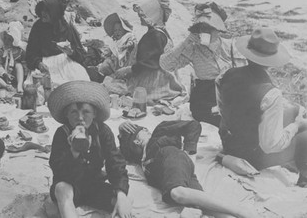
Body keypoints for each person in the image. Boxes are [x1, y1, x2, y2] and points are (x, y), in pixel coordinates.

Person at [217, 28, 307, 187]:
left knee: (294, 111)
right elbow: (270, 145)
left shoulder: (228, 74)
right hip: (250, 156)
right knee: (304, 134)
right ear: (272, 61)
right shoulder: (271, 93)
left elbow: (225, 109)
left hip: (229, 142)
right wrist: (296, 126)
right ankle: (303, 180)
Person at [118, 120, 258, 218]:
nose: (146, 130)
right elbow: (113, 153)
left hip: (171, 157)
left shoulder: (159, 132)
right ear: (135, 141)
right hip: (167, 174)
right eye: (141, 130)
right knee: (208, 209)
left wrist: (190, 155)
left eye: (145, 128)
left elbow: (193, 125)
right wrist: (121, 128)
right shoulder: (137, 159)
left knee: (178, 193)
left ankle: (241, 211)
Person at [47, 81, 132, 218]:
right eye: (74, 112)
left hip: (93, 184)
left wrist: (121, 194)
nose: (80, 118)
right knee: (62, 189)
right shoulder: (62, 133)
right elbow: (58, 169)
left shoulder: (102, 131)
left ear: (95, 114)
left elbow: (115, 162)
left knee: (125, 200)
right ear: (67, 115)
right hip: (70, 184)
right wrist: (73, 152)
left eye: (86, 111)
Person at [160, 2, 233, 127]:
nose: (205, 32)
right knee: (219, 120)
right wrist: (185, 42)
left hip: (228, 93)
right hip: (205, 96)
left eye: (209, 28)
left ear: (217, 30)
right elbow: (165, 64)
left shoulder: (228, 46)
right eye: (201, 29)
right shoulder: (193, 49)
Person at [117, 0, 184, 104]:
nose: (140, 17)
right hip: (165, 78)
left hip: (154, 80)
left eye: (143, 15)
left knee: (110, 85)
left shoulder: (154, 35)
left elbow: (150, 62)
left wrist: (129, 69)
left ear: (153, 16)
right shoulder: (161, 32)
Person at [26, 0, 89, 87]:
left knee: (79, 80)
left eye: (47, 11)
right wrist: (38, 63)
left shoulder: (65, 28)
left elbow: (81, 54)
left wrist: (71, 52)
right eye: (43, 10)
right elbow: (31, 52)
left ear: (54, 13)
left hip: (65, 62)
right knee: (41, 85)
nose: (43, 13)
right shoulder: (38, 27)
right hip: (45, 62)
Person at [95, 12, 137, 80]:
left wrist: (126, 46)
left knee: (120, 73)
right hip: (115, 62)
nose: (117, 32)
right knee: (106, 64)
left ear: (125, 30)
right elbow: (112, 49)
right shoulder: (116, 41)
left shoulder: (128, 36)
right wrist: (107, 53)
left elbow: (132, 42)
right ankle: (102, 74)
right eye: (115, 30)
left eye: (120, 30)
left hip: (126, 62)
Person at [0, 21, 26, 93]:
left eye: (9, 39)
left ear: (14, 40)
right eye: (5, 38)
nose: (6, 41)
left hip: (15, 75)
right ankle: (6, 86)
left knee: (19, 65)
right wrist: (4, 74)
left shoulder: (20, 51)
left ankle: (19, 86)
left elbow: (25, 65)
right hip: (3, 75)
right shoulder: (0, 51)